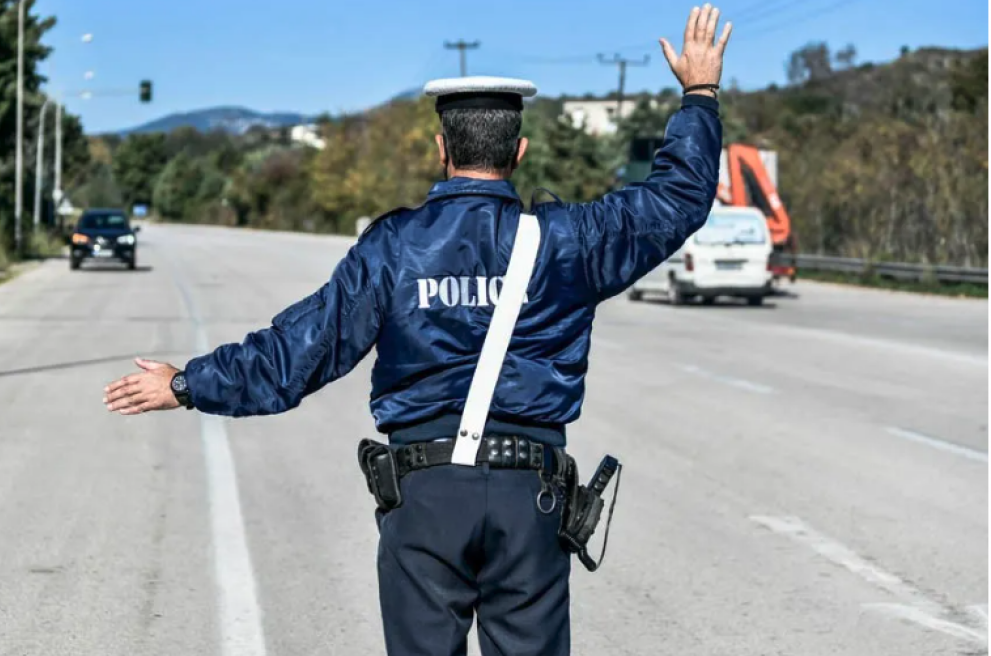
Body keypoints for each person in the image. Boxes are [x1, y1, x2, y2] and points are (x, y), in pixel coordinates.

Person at [103, 6, 731, 654]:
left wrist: (187, 384)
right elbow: (675, 201)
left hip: (425, 499)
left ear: (442, 149)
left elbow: (304, 347)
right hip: (530, 500)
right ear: (519, 151)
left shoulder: (395, 246)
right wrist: (699, 95)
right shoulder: (568, 242)